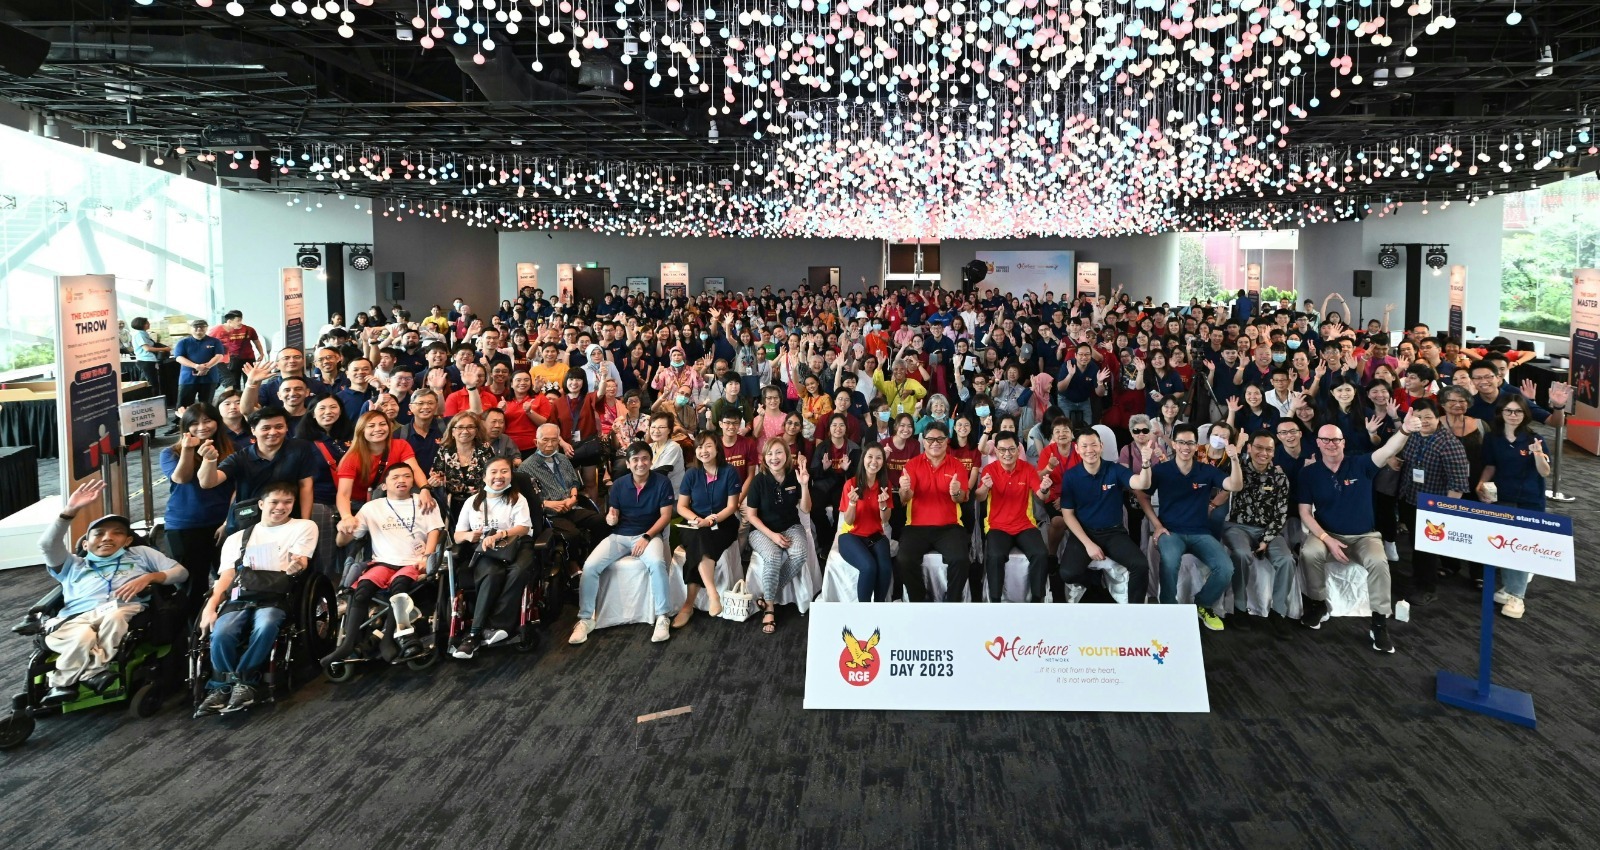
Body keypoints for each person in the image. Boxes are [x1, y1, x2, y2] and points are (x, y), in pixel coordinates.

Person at [37, 480, 188, 705]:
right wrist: (69, 512)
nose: (107, 537)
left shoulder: (140, 554)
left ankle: (62, 684)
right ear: (86, 544)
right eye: (99, 534)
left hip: (123, 609)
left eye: (116, 534)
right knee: (83, 636)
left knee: (115, 616)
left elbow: (181, 572)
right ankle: (94, 674)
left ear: (127, 541)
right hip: (77, 618)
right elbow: (48, 546)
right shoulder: (73, 564)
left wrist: (150, 577)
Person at [195, 481, 319, 716]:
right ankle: (221, 686)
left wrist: (297, 566)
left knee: (266, 624)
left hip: (275, 594)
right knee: (221, 630)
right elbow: (226, 577)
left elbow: (302, 559)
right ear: (261, 504)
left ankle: (245, 681)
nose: (280, 507)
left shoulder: (304, 526)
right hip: (240, 594)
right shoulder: (237, 538)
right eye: (274, 502)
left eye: (287, 502)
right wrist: (210, 607)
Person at [1297, 415, 1417, 653]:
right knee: (1309, 553)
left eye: (1336, 440)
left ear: (1343, 442)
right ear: (1318, 443)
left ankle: (1379, 623)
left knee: (1379, 561)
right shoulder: (1308, 473)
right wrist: (1326, 540)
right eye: (1326, 440)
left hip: (1364, 536)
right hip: (1327, 533)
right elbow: (1305, 513)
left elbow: (1388, 449)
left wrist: (1404, 430)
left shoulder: (1362, 464)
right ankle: (1317, 603)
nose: (1331, 444)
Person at [323, 464, 445, 669]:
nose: (402, 480)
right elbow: (342, 542)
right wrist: (344, 528)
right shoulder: (372, 507)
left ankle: (388, 639)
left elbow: (435, 531)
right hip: (383, 561)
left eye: (407, 476)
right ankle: (347, 643)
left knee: (399, 587)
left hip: (413, 561)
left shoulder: (424, 501)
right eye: (396, 477)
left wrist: (427, 556)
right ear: (385, 484)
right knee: (362, 589)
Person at [1137, 422, 1244, 631]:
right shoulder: (1162, 470)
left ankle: (1202, 605)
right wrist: (1157, 525)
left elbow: (1235, 486)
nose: (1186, 447)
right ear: (1174, 445)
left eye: (1191, 443)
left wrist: (1234, 458)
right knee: (1169, 561)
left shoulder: (1206, 471)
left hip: (1200, 532)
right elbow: (1142, 494)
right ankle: (1168, 607)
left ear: (1197, 446)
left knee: (1225, 568)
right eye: (1181, 442)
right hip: (1171, 531)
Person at [569, 442, 676, 646]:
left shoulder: (662, 483)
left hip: (649, 535)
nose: (640, 463)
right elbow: (613, 516)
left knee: (656, 563)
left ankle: (663, 616)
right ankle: (585, 619)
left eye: (645, 458)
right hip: (620, 536)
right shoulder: (619, 485)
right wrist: (611, 519)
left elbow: (665, 516)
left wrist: (647, 536)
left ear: (651, 461)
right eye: (635, 459)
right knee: (590, 567)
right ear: (628, 464)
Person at [449, 457, 535, 659]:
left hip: (516, 543)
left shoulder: (517, 498)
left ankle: (497, 625)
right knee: (492, 572)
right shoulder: (472, 502)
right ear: (485, 476)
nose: (499, 476)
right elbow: (458, 534)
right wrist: (470, 536)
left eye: (504, 472)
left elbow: (524, 528)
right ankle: (475, 634)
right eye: (494, 472)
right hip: (485, 547)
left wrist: (500, 534)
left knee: (518, 571)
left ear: (511, 475)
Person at [1477, 395, 1552, 619]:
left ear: (1525, 414)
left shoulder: (1534, 438)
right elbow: (1491, 465)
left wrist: (1538, 454)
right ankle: (1509, 587)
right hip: (1503, 496)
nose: (1513, 415)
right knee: (1504, 545)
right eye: (1508, 411)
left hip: (1530, 499)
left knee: (1520, 547)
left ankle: (1517, 596)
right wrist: (1481, 484)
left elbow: (1545, 472)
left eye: (1518, 411)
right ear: (1501, 413)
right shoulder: (1493, 438)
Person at [161, 403, 236, 615]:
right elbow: (181, 478)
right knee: (193, 585)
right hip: (185, 525)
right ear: (185, 426)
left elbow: (238, 489)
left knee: (229, 581)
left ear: (217, 422)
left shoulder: (233, 449)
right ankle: (193, 636)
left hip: (223, 524)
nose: (202, 427)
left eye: (207, 421)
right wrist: (188, 448)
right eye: (194, 423)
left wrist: (227, 522)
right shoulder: (170, 453)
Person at [1394, 399, 1470, 605]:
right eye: (1418, 417)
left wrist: (1445, 511)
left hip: (1434, 506)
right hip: (1410, 498)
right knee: (1416, 544)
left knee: (1427, 548)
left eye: (1428, 416)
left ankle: (1427, 588)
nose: (1423, 421)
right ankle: (1419, 578)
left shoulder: (1449, 444)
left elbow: (1459, 484)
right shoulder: (1413, 436)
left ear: (1438, 418)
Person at [1221, 429, 1296, 637]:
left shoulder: (1279, 476)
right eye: (1259, 448)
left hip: (1268, 530)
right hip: (1237, 526)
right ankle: (1239, 607)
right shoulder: (1238, 468)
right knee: (1242, 554)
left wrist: (1266, 540)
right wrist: (1235, 452)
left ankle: (1278, 612)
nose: (1263, 453)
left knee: (1287, 560)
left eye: (1269, 449)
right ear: (1250, 448)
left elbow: (1281, 513)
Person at [196, 406, 317, 533]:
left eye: (279, 427)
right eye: (266, 428)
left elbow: (306, 486)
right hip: (249, 524)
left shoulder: (300, 449)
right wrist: (209, 460)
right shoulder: (241, 457)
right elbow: (208, 482)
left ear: (286, 428)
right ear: (253, 430)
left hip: (288, 521)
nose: (273, 432)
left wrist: (305, 523)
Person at [894, 421, 972, 602]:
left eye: (940, 439)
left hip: (949, 527)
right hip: (916, 527)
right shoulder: (912, 465)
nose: (935, 443)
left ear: (947, 441)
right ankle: (919, 601)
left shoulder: (957, 466)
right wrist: (904, 489)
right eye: (930, 439)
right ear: (923, 441)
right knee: (904, 559)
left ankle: (951, 603)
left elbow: (960, 498)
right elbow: (905, 499)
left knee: (960, 560)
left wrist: (956, 491)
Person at [672, 432, 743, 628]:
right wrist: (698, 519)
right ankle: (713, 593)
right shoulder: (691, 474)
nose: (703, 451)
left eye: (708, 446)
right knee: (698, 536)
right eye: (700, 447)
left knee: (698, 542)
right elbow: (682, 507)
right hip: (694, 522)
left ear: (718, 448)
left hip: (724, 522)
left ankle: (688, 606)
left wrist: (711, 520)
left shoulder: (729, 472)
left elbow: (732, 506)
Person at [744, 437, 814, 632]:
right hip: (761, 530)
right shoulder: (758, 481)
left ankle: (767, 597)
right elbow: (751, 516)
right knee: (774, 557)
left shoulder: (795, 475)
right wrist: (773, 536)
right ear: (764, 457)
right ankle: (770, 609)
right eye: (770, 453)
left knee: (800, 553)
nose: (774, 458)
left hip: (791, 526)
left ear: (787, 455)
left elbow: (806, 509)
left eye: (778, 452)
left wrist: (804, 485)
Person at [973, 431, 1053, 602]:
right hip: (997, 526)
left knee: (1040, 553)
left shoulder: (1028, 469)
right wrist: (985, 487)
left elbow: (1041, 496)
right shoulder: (989, 469)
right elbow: (979, 496)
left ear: (1018, 449)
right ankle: (995, 601)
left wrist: (1045, 488)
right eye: (1002, 450)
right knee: (995, 556)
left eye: (1011, 449)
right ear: (996, 451)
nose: (1007, 454)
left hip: (1025, 525)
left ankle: (1037, 600)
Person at [836, 443, 895, 602]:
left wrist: (883, 505)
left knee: (885, 569)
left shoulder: (885, 486)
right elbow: (848, 520)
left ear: (883, 461)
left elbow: (885, 520)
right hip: (851, 536)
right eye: (870, 456)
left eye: (878, 457)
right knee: (869, 567)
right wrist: (852, 504)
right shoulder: (851, 484)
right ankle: (863, 611)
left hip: (876, 536)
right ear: (863, 459)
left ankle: (878, 607)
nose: (874, 461)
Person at [173, 318, 229, 418]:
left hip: (209, 377)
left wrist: (206, 367)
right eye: (196, 326)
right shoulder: (183, 342)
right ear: (191, 328)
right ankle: (179, 424)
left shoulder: (215, 341)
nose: (199, 328)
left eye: (202, 326)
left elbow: (219, 356)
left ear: (206, 328)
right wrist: (196, 366)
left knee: (206, 404)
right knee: (183, 404)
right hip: (187, 378)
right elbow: (179, 358)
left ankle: (206, 421)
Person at [209, 309, 265, 391]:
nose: (239, 322)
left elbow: (257, 342)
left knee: (249, 381)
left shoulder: (249, 329)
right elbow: (208, 341)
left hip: (248, 357)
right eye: (237, 320)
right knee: (233, 382)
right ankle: (236, 400)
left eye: (240, 320)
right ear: (229, 321)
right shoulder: (220, 329)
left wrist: (261, 353)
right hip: (232, 359)